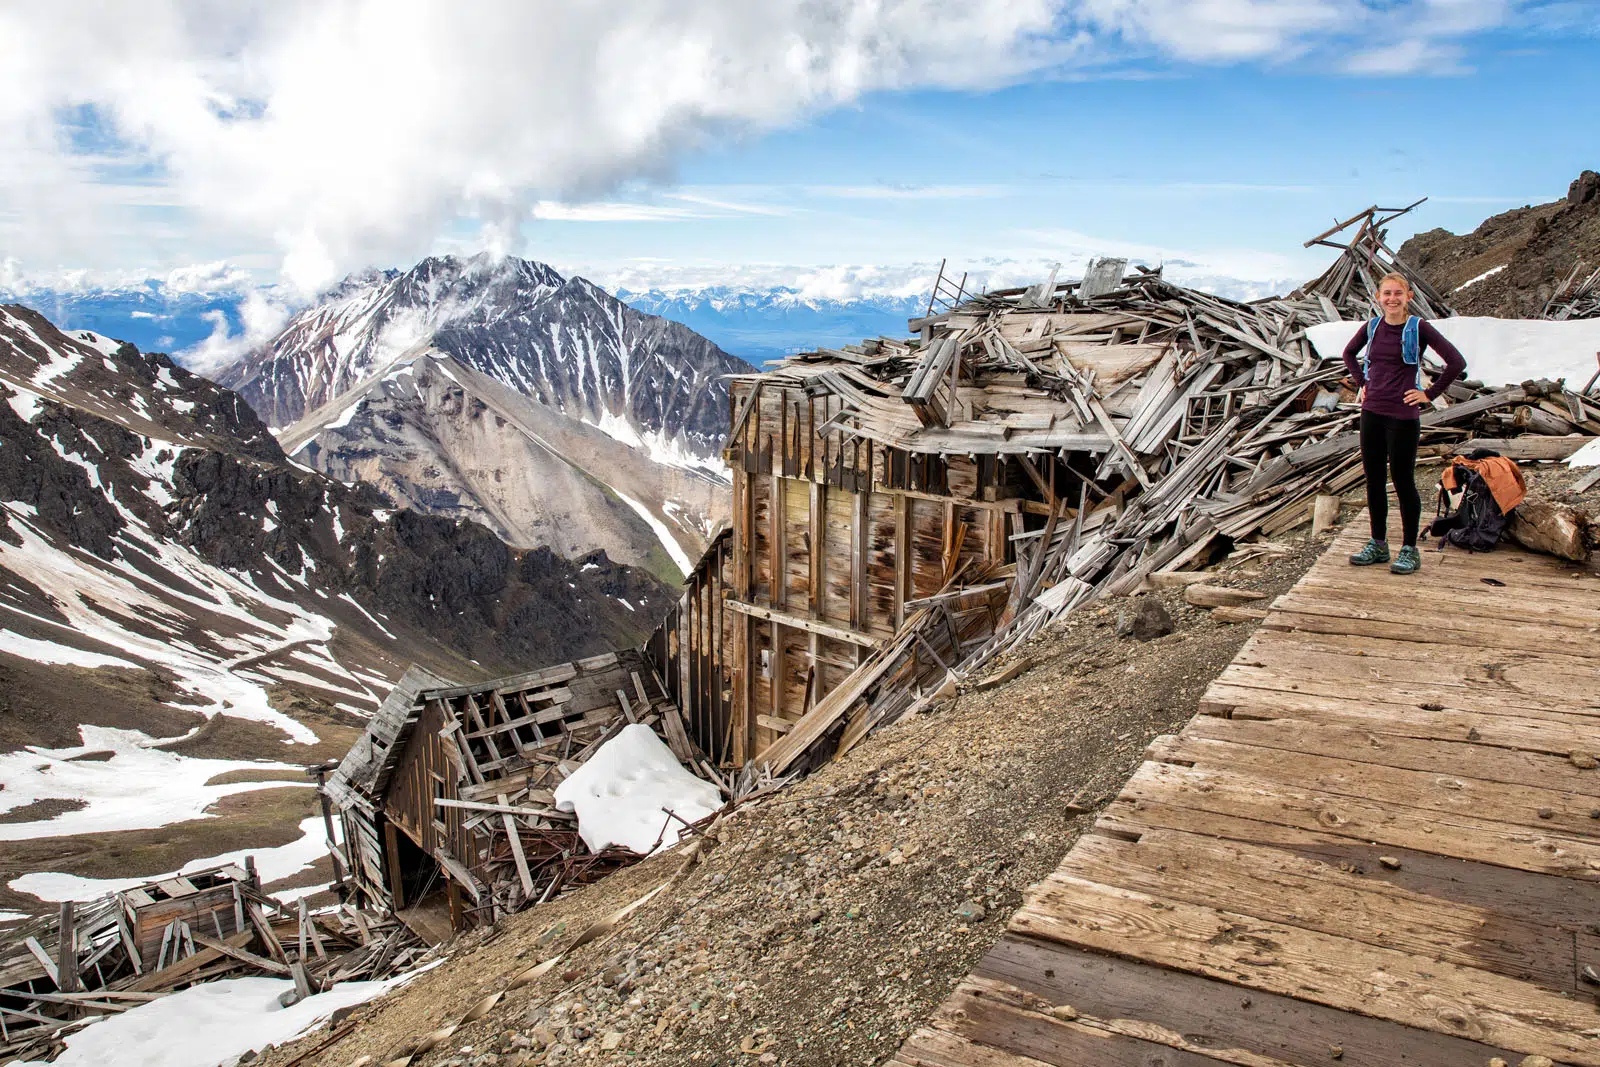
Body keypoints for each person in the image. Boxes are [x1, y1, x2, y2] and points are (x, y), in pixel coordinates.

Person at [1341, 273, 1466, 574]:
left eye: (1398, 293)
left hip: (1403, 416)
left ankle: (1409, 549)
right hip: (1371, 412)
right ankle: (1378, 544)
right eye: (1387, 293)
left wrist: (1428, 394)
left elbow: (1456, 362)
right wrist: (1362, 383)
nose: (1392, 299)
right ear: (1378, 297)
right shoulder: (1372, 326)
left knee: (1402, 481)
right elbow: (1348, 354)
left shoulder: (1418, 328)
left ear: (1409, 296)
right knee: (1373, 481)